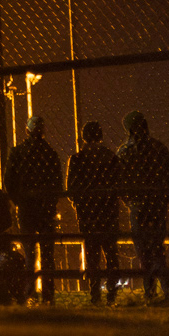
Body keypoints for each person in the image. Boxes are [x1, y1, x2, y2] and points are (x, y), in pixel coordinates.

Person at [117, 111, 169, 301]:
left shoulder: (124, 152)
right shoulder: (159, 148)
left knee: (143, 251)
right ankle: (167, 290)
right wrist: (162, 199)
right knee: (158, 249)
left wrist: (129, 202)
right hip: (157, 204)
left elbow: (117, 183)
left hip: (138, 206)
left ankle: (149, 291)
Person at [3, 116, 63, 304]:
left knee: (29, 252)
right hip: (45, 208)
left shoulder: (18, 152)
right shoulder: (50, 153)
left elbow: (9, 181)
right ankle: (48, 294)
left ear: (27, 131)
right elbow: (57, 184)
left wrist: (18, 200)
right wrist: (51, 203)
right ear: (43, 131)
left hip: (26, 207)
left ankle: (29, 292)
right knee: (47, 253)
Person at [66, 120, 122, 304]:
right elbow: (118, 185)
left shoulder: (77, 159)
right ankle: (112, 293)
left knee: (92, 255)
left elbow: (71, 190)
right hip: (108, 213)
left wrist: (80, 203)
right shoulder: (111, 158)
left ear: (83, 138)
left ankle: (94, 294)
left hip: (88, 214)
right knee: (111, 254)